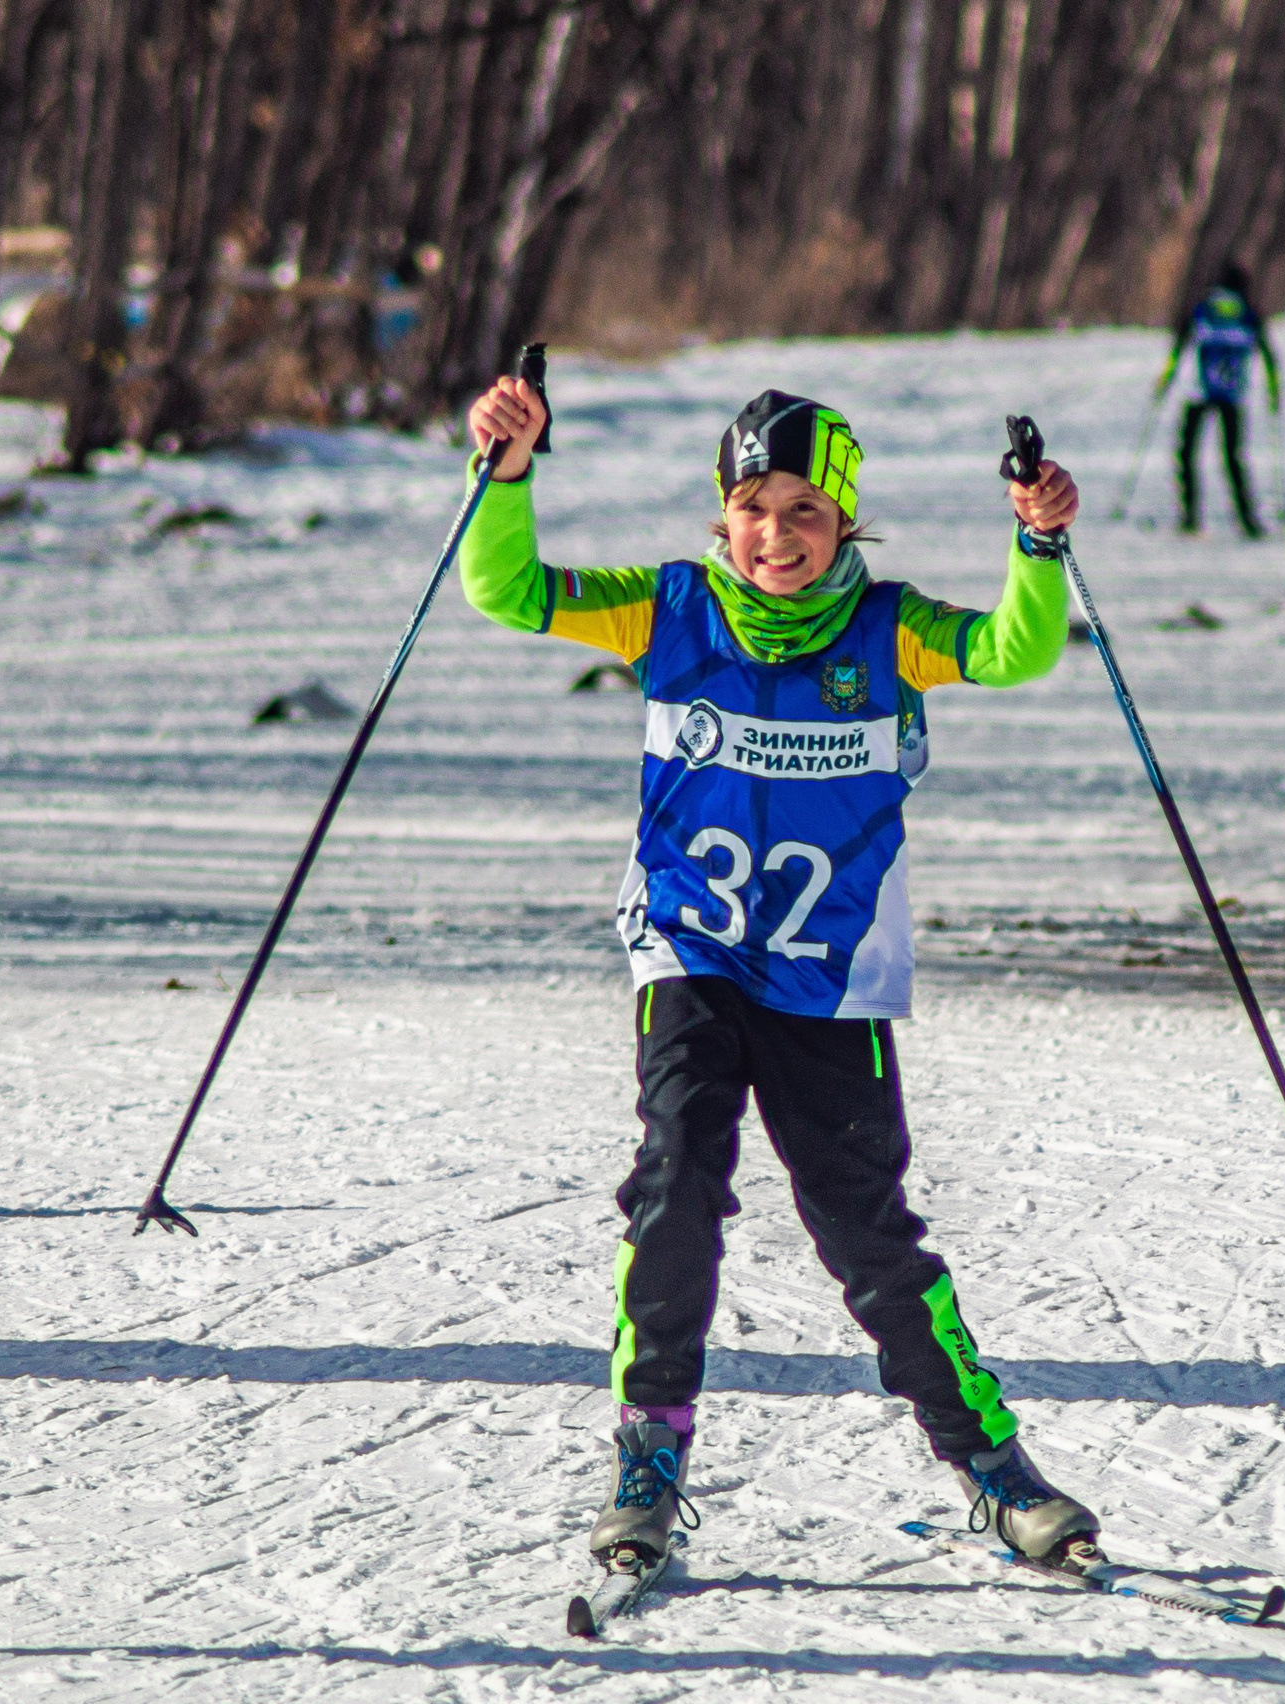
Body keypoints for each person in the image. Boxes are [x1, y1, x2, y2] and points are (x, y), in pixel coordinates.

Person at [459, 378, 1106, 1579]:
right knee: (675, 1185)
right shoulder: (667, 609)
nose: (776, 532)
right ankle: (649, 1452)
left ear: (844, 522)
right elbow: (507, 588)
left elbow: (1015, 652)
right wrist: (505, 475)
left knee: (866, 1232)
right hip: (690, 954)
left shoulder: (892, 630)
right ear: (723, 515)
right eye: (753, 505)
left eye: (805, 508)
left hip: (831, 980)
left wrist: (1038, 545)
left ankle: (992, 1466)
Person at [1163, 261, 1282, 538]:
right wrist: (1274, 392)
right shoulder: (1248, 315)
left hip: (1198, 391)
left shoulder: (1203, 309)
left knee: (1187, 454)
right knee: (1233, 458)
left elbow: (1178, 349)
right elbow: (1269, 356)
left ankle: (1190, 516)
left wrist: (1165, 381)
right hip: (1233, 394)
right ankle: (1247, 519)